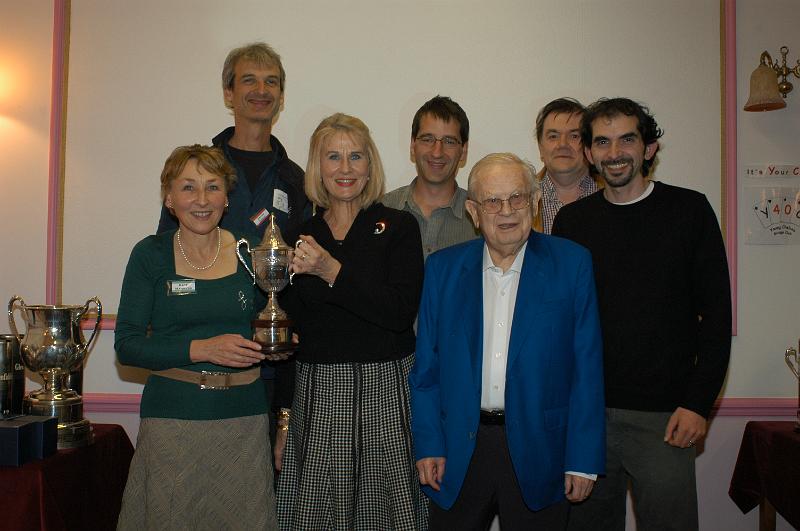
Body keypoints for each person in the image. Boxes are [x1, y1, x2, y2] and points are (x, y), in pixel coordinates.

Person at [552, 97, 732, 531]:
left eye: (627, 140)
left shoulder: (690, 212)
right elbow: (560, 325)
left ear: (649, 148)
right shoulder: (571, 223)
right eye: (603, 142)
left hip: (666, 420)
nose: (615, 153)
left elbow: (719, 318)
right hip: (589, 420)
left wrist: (697, 404)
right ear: (590, 153)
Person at [410, 152, 606, 530]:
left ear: (534, 203)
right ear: (473, 211)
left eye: (517, 197)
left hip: (542, 449)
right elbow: (426, 370)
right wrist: (429, 443)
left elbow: (587, 370)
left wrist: (582, 458)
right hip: (459, 451)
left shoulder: (572, 264)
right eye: (493, 201)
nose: (507, 211)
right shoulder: (443, 270)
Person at [274, 113, 426, 530]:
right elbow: (289, 333)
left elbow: (398, 313)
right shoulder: (298, 234)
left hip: (387, 392)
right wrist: (284, 419)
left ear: (370, 165)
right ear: (317, 167)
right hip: (318, 395)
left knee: (389, 515)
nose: (345, 169)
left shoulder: (398, 227)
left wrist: (331, 271)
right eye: (333, 157)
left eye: (355, 156)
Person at [156, 42, 310, 449]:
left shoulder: (297, 179)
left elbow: (307, 271)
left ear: (280, 96)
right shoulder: (200, 169)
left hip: (276, 361)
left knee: (266, 489)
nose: (261, 90)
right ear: (228, 93)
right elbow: (164, 258)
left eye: (271, 82)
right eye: (249, 80)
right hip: (203, 361)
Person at [116, 145, 277, 530]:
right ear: (169, 198)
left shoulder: (248, 252)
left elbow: (271, 322)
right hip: (174, 422)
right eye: (188, 188)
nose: (201, 200)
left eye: (212, 187)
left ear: (226, 197)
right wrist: (202, 349)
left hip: (245, 420)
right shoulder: (149, 254)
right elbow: (128, 345)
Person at [382, 95, 477, 259]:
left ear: (464, 151)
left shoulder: (481, 218)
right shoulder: (381, 211)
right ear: (412, 146)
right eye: (427, 139)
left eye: (449, 141)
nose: (437, 152)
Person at [533, 97, 599, 234]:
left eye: (574, 136)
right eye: (553, 136)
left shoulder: (613, 194)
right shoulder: (521, 199)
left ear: (588, 144)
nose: (562, 144)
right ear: (540, 147)